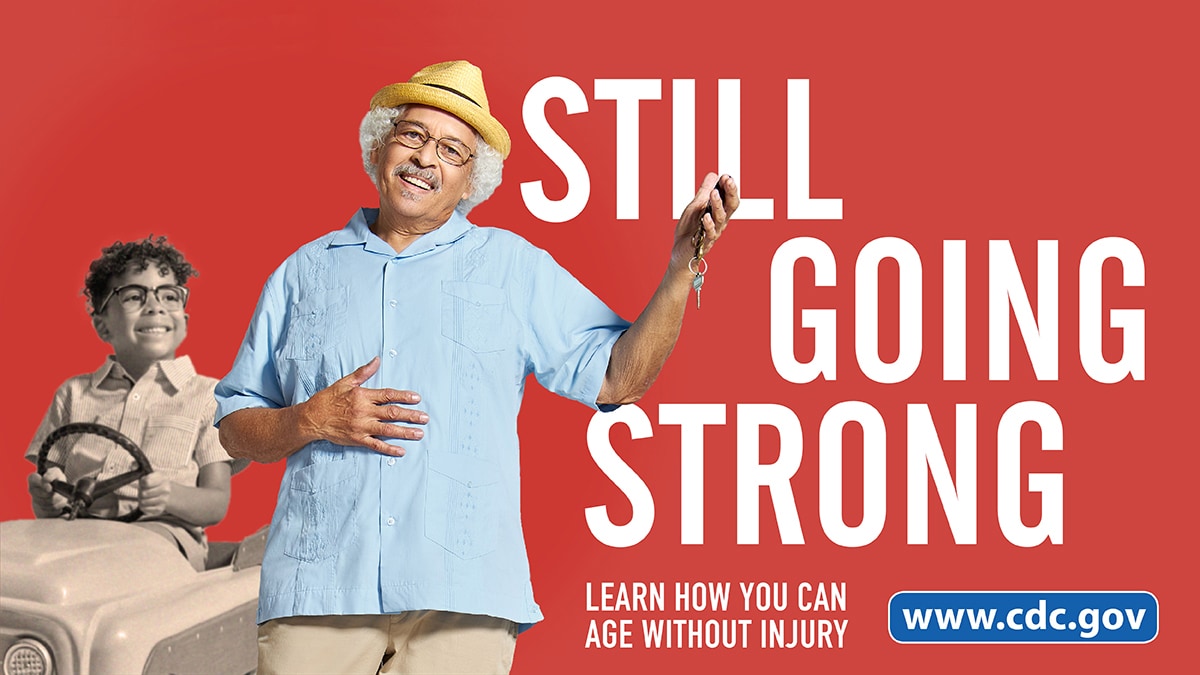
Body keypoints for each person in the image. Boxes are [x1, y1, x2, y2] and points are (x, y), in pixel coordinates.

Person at [215, 60, 739, 675]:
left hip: (463, 595)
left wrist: (680, 270)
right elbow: (233, 425)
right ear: (379, 145)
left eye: (451, 149)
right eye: (412, 136)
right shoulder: (301, 273)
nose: (424, 158)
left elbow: (620, 378)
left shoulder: (513, 267)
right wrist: (308, 420)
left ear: (471, 183)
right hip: (318, 589)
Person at [25, 236, 236, 572]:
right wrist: (47, 499)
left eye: (169, 295)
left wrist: (169, 495)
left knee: (116, 563)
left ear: (184, 319)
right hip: (79, 535)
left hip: (162, 536)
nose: (155, 306)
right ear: (102, 324)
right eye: (134, 296)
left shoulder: (208, 396)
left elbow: (216, 503)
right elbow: (54, 496)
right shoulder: (73, 394)